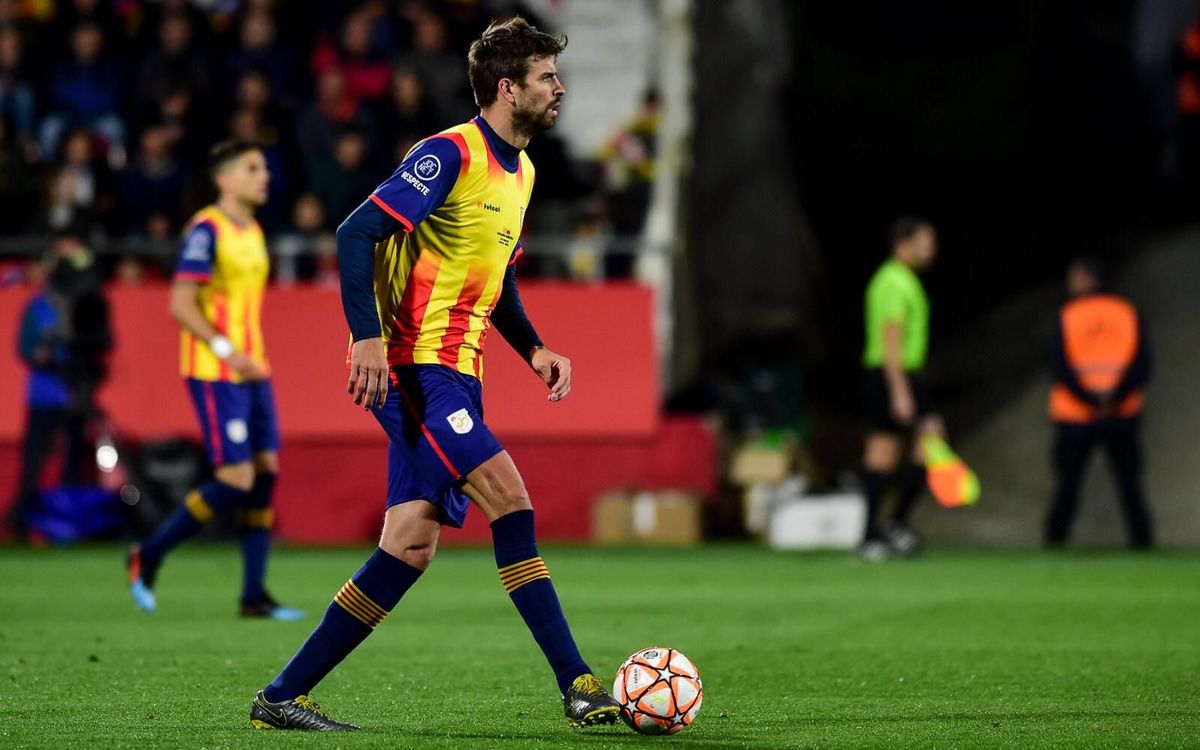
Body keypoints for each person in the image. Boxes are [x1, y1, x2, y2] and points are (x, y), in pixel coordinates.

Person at [248, 17, 621, 732]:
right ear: (508, 88)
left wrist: (534, 347)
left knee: (409, 546)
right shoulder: (449, 153)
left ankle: (281, 697)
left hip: (463, 373)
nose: (558, 88)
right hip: (416, 369)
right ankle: (578, 682)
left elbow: (497, 279)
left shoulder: (526, 172)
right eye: (546, 77)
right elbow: (358, 231)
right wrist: (365, 339)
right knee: (510, 499)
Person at [126, 140, 301, 620]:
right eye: (252, 168)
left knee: (264, 472)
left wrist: (250, 357)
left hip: (253, 369)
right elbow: (181, 305)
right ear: (224, 179)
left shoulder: (254, 230)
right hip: (216, 371)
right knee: (236, 477)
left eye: (264, 167)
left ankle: (253, 597)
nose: (263, 175)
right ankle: (150, 553)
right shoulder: (206, 230)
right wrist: (227, 350)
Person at [1045, 258, 1153, 548]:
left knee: (1068, 486)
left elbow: (1060, 368)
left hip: (1075, 416)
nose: (1070, 283)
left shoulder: (1068, 315)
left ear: (1087, 278)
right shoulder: (1128, 312)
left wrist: (1090, 401)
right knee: (1130, 485)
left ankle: (1054, 543)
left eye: (1074, 276)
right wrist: (1113, 399)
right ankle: (1142, 543)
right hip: (1122, 414)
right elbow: (1142, 366)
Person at [859, 217, 940, 561]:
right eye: (926, 241)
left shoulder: (902, 280)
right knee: (889, 450)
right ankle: (879, 531)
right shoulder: (894, 282)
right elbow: (891, 338)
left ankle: (886, 528)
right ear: (904, 243)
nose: (931, 249)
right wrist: (900, 391)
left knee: (920, 445)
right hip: (892, 373)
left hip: (900, 374)